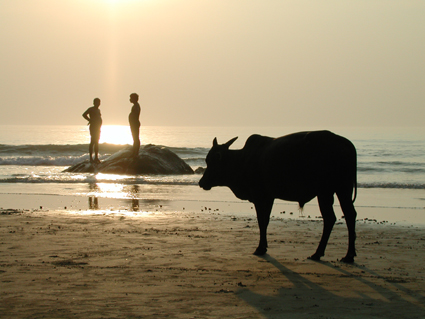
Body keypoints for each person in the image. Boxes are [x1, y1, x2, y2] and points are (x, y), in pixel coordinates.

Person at [82, 98, 102, 163]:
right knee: (93, 142)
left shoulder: (98, 110)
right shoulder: (91, 109)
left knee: (97, 142)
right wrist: (90, 120)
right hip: (93, 127)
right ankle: (91, 158)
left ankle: (96, 157)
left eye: (99, 102)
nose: (98, 104)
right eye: (97, 102)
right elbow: (84, 114)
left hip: (98, 127)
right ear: (94, 103)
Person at [128, 93, 141, 159]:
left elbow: (135, 115)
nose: (130, 99)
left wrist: (134, 122)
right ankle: (134, 152)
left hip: (134, 124)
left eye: (131, 98)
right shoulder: (135, 106)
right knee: (135, 138)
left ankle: (136, 152)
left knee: (135, 138)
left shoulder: (136, 106)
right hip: (134, 123)